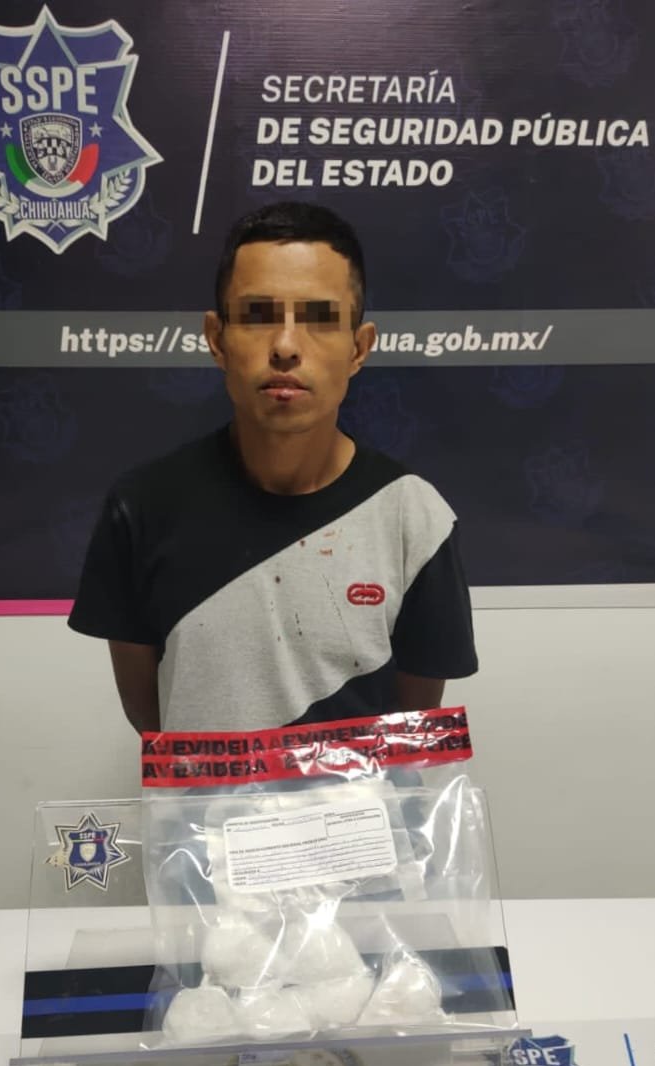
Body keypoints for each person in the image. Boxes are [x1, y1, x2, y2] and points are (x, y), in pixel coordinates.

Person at [68, 201, 477, 732]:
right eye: (258, 316)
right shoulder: (140, 508)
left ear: (359, 348)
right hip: (200, 793)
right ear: (216, 339)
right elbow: (151, 715)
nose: (285, 346)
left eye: (321, 318)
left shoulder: (413, 517)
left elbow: (411, 722)